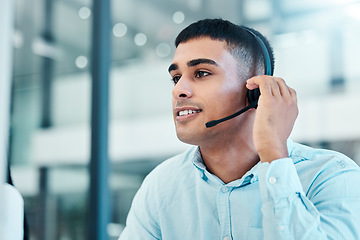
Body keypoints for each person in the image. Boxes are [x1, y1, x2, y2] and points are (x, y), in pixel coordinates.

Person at [119, 18, 360, 240]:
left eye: (201, 73)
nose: (178, 90)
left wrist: (274, 154)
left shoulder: (331, 176)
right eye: (176, 77)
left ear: (255, 90)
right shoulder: (161, 186)